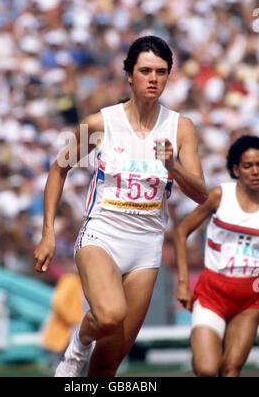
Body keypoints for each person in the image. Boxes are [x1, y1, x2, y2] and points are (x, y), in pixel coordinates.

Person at [34, 35, 208, 377]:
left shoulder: (181, 128)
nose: (153, 78)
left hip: (146, 247)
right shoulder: (101, 124)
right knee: (110, 314)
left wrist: (174, 167)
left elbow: (202, 194)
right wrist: (48, 234)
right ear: (130, 75)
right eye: (145, 70)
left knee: (108, 364)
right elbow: (58, 169)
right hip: (102, 235)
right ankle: (75, 350)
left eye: (161, 71)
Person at [174, 135, 259, 377]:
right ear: (236, 169)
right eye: (248, 165)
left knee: (231, 369)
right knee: (206, 369)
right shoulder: (220, 195)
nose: (255, 171)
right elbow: (181, 231)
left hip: (252, 298)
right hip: (213, 292)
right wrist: (183, 283)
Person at [40, 261, 84, 373]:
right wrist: (74, 319)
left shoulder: (77, 282)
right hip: (65, 330)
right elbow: (58, 302)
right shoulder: (70, 280)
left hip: (70, 329)